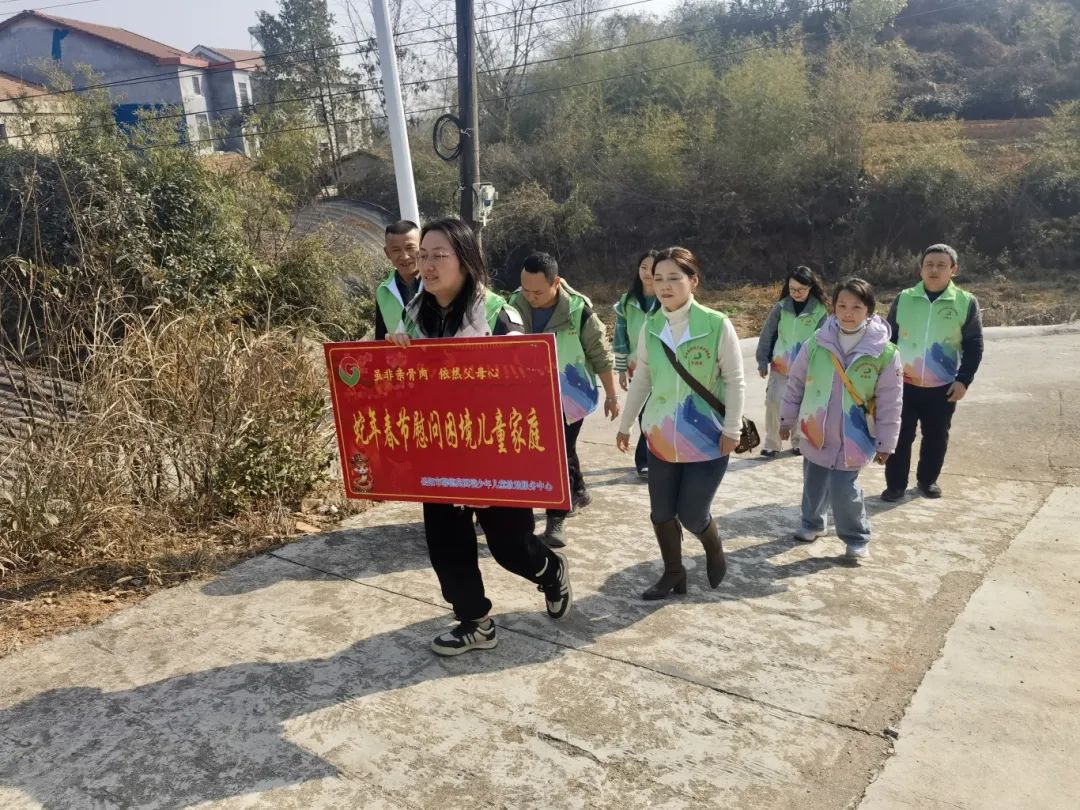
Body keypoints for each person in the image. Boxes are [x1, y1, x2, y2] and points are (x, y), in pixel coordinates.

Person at [388, 219, 573, 656]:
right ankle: (474, 621)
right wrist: (395, 356)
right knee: (446, 544)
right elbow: (399, 387)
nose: (426, 265)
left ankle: (549, 570)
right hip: (441, 453)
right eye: (424, 256)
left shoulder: (497, 314)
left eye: (439, 256)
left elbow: (524, 380)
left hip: (493, 456)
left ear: (466, 261)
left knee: (510, 548)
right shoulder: (413, 314)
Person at [615, 247, 745, 599]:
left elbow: (734, 380)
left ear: (693, 281)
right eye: (658, 279)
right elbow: (642, 376)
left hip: (707, 439)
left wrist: (732, 429)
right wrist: (626, 423)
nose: (665, 286)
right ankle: (674, 573)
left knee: (691, 514)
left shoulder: (716, 324)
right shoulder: (652, 324)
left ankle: (713, 546)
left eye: (675, 278)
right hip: (660, 437)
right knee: (660, 514)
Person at [779, 277, 903, 563]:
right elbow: (796, 383)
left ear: (870, 310)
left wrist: (886, 441)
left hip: (855, 436)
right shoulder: (817, 342)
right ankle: (812, 523)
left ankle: (856, 537)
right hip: (816, 430)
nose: (848, 313)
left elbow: (890, 402)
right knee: (813, 480)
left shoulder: (884, 353)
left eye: (856, 307)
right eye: (842, 306)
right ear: (832, 307)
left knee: (843, 490)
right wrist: (787, 419)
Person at [509, 252, 620, 549]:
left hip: (569, 397)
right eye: (525, 289)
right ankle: (578, 490)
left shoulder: (579, 312)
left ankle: (556, 517)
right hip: (528, 398)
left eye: (538, 291)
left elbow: (600, 354)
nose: (530, 297)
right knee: (549, 451)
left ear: (556, 283)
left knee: (556, 454)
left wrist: (611, 395)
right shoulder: (513, 305)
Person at [882, 244, 984, 501]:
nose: (934, 270)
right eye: (929, 264)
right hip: (903, 383)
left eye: (941, 265)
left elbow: (974, 345)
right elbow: (887, 339)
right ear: (921, 269)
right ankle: (895, 485)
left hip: (943, 385)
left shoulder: (965, 302)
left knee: (936, 436)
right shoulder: (904, 298)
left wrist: (963, 381)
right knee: (900, 436)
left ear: (953, 270)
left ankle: (927, 481)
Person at [755, 266, 828, 458]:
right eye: (792, 288)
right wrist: (762, 359)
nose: (796, 293)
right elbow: (768, 334)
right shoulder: (781, 307)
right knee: (773, 402)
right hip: (780, 365)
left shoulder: (819, 311)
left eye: (800, 289)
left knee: (802, 404)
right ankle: (772, 443)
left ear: (810, 287)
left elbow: (824, 341)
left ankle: (798, 441)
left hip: (806, 367)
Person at [613, 250, 658, 477]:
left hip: (662, 366)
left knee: (650, 411)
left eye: (652, 268)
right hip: (635, 366)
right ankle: (647, 458)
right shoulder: (627, 301)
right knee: (642, 410)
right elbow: (620, 336)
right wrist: (621, 369)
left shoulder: (666, 299)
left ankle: (646, 459)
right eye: (643, 268)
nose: (647, 273)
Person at [374, 220, 422, 340]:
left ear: (422, 248)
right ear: (387, 252)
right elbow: (380, 339)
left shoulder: (438, 284)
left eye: (410, 248)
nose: (405, 256)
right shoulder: (383, 291)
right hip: (400, 358)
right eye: (396, 250)